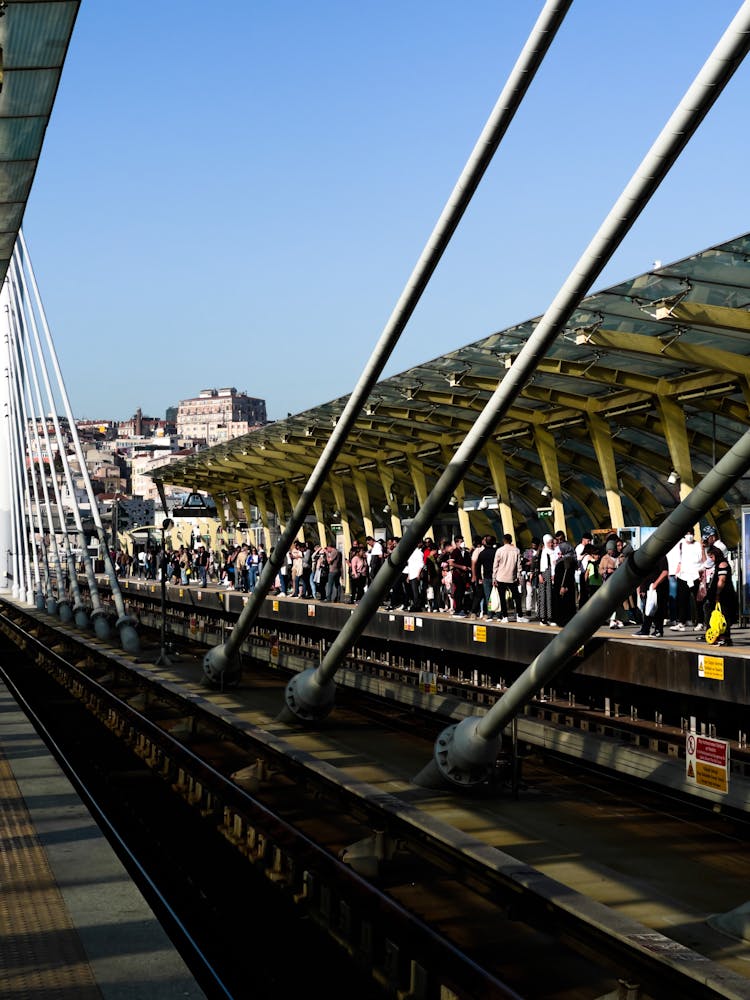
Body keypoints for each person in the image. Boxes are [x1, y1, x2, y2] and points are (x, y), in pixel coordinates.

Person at [670, 530, 704, 631]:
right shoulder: (681, 544)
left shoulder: (698, 545)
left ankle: (700, 622)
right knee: (682, 600)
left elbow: (702, 559)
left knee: (698, 601)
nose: (689, 536)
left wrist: (701, 573)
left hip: (695, 575)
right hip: (683, 575)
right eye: (687, 533)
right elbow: (680, 559)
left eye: (691, 534)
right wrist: (677, 571)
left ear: (694, 535)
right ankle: (681, 622)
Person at [704, 544, 737, 646]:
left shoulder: (722, 564)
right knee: (715, 617)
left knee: (723, 617)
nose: (711, 559)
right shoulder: (718, 564)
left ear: (716, 555)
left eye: (711, 556)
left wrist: (717, 593)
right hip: (719, 595)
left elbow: (721, 580)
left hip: (724, 595)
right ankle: (717, 636)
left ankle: (725, 638)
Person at [634, 553, 669, 637]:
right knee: (648, 609)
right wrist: (641, 588)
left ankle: (658, 630)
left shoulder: (661, 557)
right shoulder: (646, 558)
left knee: (658, 609)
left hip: (659, 587)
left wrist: (656, 584)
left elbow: (665, 572)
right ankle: (646, 629)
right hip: (648, 588)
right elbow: (642, 573)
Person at [492, 534, 525, 623]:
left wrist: (494, 578)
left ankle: (505, 617)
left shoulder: (499, 550)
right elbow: (519, 566)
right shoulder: (516, 550)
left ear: (504, 540)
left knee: (502, 598)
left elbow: (495, 565)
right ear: (511, 540)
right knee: (517, 597)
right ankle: (519, 615)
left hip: (500, 577)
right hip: (512, 578)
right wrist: (518, 577)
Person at [537, 534, 559, 626]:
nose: (551, 544)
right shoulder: (544, 552)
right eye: (549, 542)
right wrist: (539, 575)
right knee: (544, 596)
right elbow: (539, 565)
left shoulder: (553, 552)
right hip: (545, 574)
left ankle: (550, 617)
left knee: (551, 596)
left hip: (552, 575)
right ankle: (543, 618)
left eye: (551, 542)